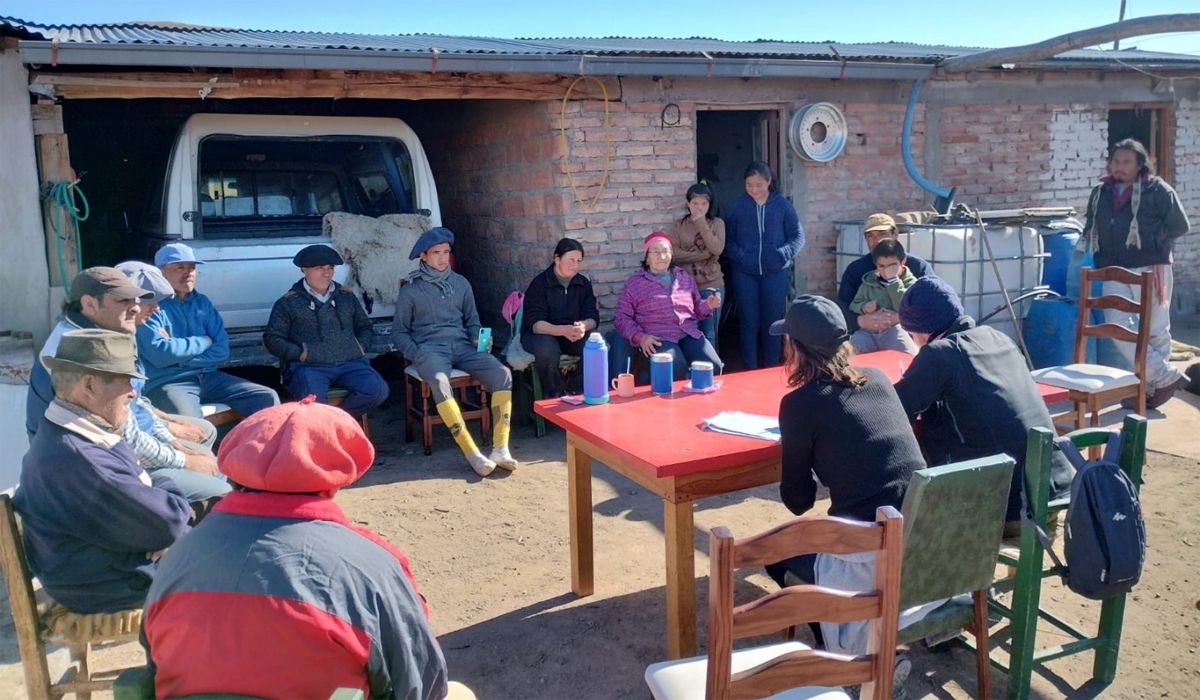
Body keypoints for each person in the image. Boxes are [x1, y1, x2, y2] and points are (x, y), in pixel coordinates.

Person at [141, 397, 461, 700]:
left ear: (236, 469)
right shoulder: (373, 565)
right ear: (334, 480)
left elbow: (153, 661)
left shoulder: (179, 557)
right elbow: (423, 683)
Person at [14, 329, 191, 614]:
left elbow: (160, 515)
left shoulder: (64, 430)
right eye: (126, 382)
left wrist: (165, 525)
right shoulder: (84, 458)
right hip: (101, 584)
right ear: (90, 386)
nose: (133, 392)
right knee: (220, 564)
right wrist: (165, 513)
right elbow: (169, 523)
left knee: (195, 527)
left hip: (83, 567)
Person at [25, 267, 228, 505]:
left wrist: (172, 441)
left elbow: (135, 405)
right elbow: (128, 439)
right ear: (90, 304)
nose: (135, 307)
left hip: (109, 453)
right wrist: (184, 459)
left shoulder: (99, 333)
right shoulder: (83, 352)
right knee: (222, 486)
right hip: (92, 474)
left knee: (209, 455)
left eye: (136, 300)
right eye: (123, 300)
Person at [764, 295, 923, 589]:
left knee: (775, 554)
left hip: (865, 552)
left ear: (794, 347)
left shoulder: (799, 405)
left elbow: (798, 502)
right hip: (918, 539)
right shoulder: (879, 379)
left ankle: (832, 627)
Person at [894, 277, 1073, 525]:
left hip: (1007, 507)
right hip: (1055, 490)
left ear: (923, 332)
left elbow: (894, 412)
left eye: (910, 334)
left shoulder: (939, 353)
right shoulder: (999, 338)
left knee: (909, 508)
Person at [393, 227, 517, 477]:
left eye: (446, 252)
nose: (442, 258)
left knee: (502, 373)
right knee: (439, 382)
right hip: (429, 350)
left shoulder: (461, 284)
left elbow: (473, 320)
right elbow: (399, 332)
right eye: (436, 253)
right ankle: (472, 453)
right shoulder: (410, 291)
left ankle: (500, 448)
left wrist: (479, 337)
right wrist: (416, 353)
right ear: (424, 257)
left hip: (462, 346)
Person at [1082, 138, 1192, 409]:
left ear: (1140, 165)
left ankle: (1149, 390)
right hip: (1113, 269)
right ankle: (1166, 377)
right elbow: (1090, 223)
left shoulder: (1158, 190)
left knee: (1155, 330)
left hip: (1151, 267)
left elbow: (1180, 225)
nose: (1119, 167)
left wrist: (1152, 243)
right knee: (1117, 327)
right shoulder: (1101, 192)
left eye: (1126, 162)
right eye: (1116, 161)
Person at [138, 242, 279, 420]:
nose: (188, 272)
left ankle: (262, 448)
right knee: (191, 421)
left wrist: (179, 359)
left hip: (209, 377)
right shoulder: (151, 305)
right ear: (161, 272)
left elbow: (222, 350)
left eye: (192, 267)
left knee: (266, 397)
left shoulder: (202, 302)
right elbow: (161, 355)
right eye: (179, 267)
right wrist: (205, 340)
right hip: (169, 382)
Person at [263, 244, 389, 419]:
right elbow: (272, 339)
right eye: (319, 268)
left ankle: (334, 423)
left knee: (377, 391)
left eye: (330, 268)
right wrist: (302, 354)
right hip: (309, 366)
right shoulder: (288, 302)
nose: (326, 273)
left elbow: (365, 327)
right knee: (313, 403)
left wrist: (359, 348)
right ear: (304, 270)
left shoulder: (346, 296)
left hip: (350, 362)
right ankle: (330, 432)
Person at [611, 231, 723, 381]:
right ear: (647, 257)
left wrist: (708, 305)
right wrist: (640, 337)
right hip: (659, 337)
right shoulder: (636, 283)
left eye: (665, 251)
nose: (662, 256)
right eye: (655, 252)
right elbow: (621, 317)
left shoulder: (683, 277)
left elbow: (697, 309)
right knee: (676, 369)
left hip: (688, 333)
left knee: (714, 366)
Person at [724, 161, 805, 368]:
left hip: (775, 272)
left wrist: (782, 254)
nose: (754, 189)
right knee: (749, 322)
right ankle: (749, 368)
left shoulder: (782, 205)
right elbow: (728, 240)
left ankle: (770, 366)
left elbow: (797, 237)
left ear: (769, 181)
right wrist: (741, 256)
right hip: (744, 273)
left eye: (759, 185)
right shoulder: (737, 207)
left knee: (772, 323)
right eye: (749, 185)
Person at [521, 237, 600, 398]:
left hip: (571, 335)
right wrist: (561, 330)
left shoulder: (582, 283)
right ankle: (554, 394)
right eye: (571, 260)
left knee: (596, 343)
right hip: (543, 335)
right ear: (557, 259)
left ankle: (577, 390)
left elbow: (593, 316)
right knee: (547, 348)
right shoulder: (540, 284)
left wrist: (583, 326)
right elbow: (534, 323)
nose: (575, 265)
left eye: (579, 261)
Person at [837, 213, 932, 334]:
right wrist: (861, 321)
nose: (876, 240)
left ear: (896, 234)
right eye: (870, 236)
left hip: (910, 334)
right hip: (866, 334)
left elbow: (931, 305)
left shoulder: (918, 267)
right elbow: (841, 309)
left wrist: (899, 318)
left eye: (882, 234)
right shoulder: (856, 270)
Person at [667, 182, 726, 349]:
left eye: (704, 204)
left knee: (709, 332)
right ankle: (691, 371)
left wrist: (701, 223)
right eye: (695, 203)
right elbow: (673, 253)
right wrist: (702, 255)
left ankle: (711, 371)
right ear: (688, 204)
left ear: (710, 204)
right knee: (689, 331)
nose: (699, 208)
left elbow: (717, 248)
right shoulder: (679, 225)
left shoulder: (717, 223)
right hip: (685, 288)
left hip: (711, 286)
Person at [848, 239, 919, 354]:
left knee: (910, 356)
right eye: (882, 266)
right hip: (868, 332)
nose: (887, 271)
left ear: (903, 262)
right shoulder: (868, 282)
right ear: (876, 264)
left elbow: (904, 307)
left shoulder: (912, 284)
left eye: (892, 266)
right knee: (846, 352)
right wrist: (864, 307)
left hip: (895, 330)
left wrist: (893, 281)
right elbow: (853, 305)